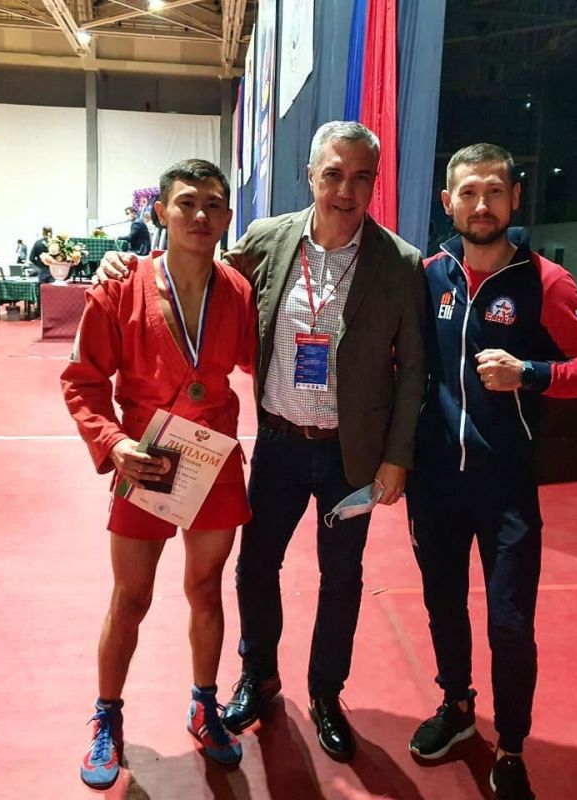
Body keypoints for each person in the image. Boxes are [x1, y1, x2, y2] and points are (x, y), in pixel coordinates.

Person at [94, 121, 427, 763]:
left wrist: (396, 457)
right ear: (311, 176)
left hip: (352, 455)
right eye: (334, 174)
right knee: (254, 568)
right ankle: (258, 676)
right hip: (277, 444)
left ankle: (326, 694)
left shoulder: (400, 263)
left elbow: (412, 367)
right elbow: (198, 272)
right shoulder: (268, 239)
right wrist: (126, 261)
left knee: (341, 576)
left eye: (361, 177)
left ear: (374, 183)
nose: (346, 190)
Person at [406, 143, 577, 799]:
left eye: (494, 191)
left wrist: (530, 373)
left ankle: (512, 746)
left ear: (514, 198)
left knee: (510, 624)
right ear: (448, 202)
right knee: (443, 604)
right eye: (469, 193)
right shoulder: (429, 275)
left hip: (506, 489)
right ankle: (457, 705)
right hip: (435, 484)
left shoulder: (545, 282)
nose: (482, 205)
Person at [61, 159, 256, 789]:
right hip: (145, 458)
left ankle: (204, 704)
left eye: (214, 204)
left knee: (206, 588)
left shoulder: (238, 291)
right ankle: (106, 717)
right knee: (131, 597)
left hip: (212, 461)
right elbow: (83, 381)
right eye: (187, 203)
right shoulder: (120, 287)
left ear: (227, 217)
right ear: (160, 213)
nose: (201, 215)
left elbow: (263, 359)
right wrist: (113, 442)